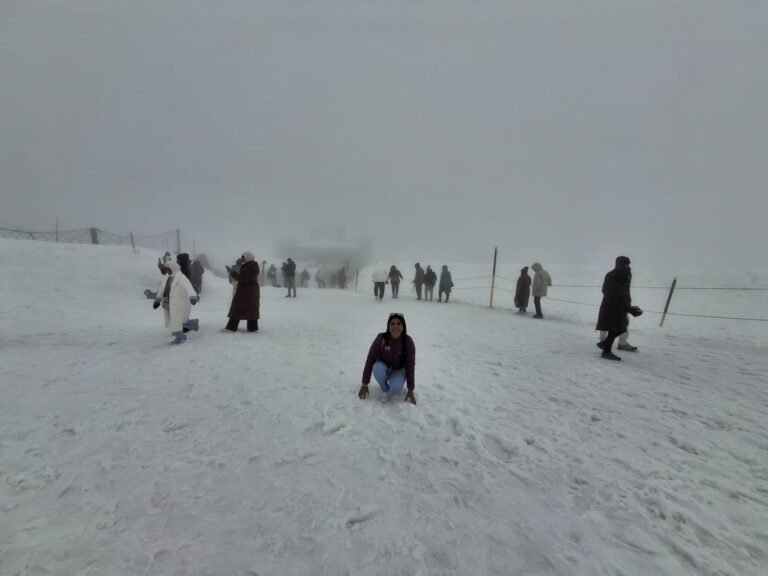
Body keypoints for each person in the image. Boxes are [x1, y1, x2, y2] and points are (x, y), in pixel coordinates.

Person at [358, 313, 417, 404]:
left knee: (396, 387)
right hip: (384, 368)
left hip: (399, 370)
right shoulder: (381, 338)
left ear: (403, 327)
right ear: (388, 326)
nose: (395, 326)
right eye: (392, 324)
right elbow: (370, 359)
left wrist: (410, 389)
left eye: (398, 323)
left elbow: (410, 366)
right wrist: (364, 383)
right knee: (376, 367)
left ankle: (394, 384)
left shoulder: (408, 341)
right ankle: (384, 388)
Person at [596, 256, 638, 361]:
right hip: (617, 306)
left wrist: (626, 305)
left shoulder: (611, 274)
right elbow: (623, 291)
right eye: (627, 264)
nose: (628, 266)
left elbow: (604, 290)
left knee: (617, 328)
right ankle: (606, 350)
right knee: (618, 328)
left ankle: (605, 345)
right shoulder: (626, 274)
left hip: (611, 304)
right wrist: (626, 305)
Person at [152, 261, 198, 343]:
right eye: (166, 269)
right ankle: (193, 324)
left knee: (176, 320)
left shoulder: (180, 277)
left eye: (168, 269)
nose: (167, 271)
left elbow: (188, 286)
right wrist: (158, 300)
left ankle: (180, 337)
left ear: (173, 268)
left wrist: (193, 297)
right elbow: (162, 288)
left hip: (179, 302)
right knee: (179, 319)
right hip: (168, 301)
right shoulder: (166, 277)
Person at [224, 251, 260, 332]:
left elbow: (244, 279)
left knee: (237, 307)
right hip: (252, 291)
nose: (242, 259)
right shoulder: (252, 265)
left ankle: (231, 327)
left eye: (243, 257)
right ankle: (252, 327)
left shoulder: (248, 266)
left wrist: (232, 273)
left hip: (246, 291)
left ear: (248, 257)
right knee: (252, 309)